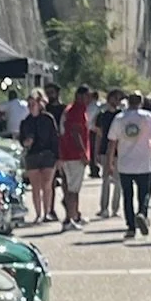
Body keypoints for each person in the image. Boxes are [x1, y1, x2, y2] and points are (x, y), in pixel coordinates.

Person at [108, 92, 151, 239]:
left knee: (128, 195)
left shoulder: (119, 118)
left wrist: (110, 162)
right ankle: (142, 213)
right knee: (144, 192)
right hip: (143, 161)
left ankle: (131, 226)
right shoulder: (147, 117)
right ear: (141, 102)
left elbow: (112, 142)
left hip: (125, 162)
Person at [19, 89, 60, 224]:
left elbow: (55, 137)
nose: (31, 107)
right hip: (33, 155)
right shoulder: (25, 122)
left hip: (48, 154)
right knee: (35, 187)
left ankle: (47, 212)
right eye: (29, 104)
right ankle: (38, 214)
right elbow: (21, 139)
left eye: (33, 104)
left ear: (40, 104)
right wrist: (26, 142)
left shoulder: (48, 119)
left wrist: (57, 157)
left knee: (47, 185)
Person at [57, 84, 92, 228]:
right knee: (72, 189)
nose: (89, 99)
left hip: (67, 154)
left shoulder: (72, 110)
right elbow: (75, 133)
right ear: (80, 96)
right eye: (87, 96)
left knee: (71, 186)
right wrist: (82, 152)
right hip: (73, 155)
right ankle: (70, 218)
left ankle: (74, 215)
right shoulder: (76, 111)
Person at [95, 88, 125, 216]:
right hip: (104, 150)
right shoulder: (102, 115)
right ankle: (104, 208)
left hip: (120, 151)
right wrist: (96, 151)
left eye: (120, 98)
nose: (118, 101)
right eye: (116, 98)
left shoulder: (122, 116)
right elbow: (99, 134)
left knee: (118, 181)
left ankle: (115, 208)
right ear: (110, 99)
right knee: (106, 179)